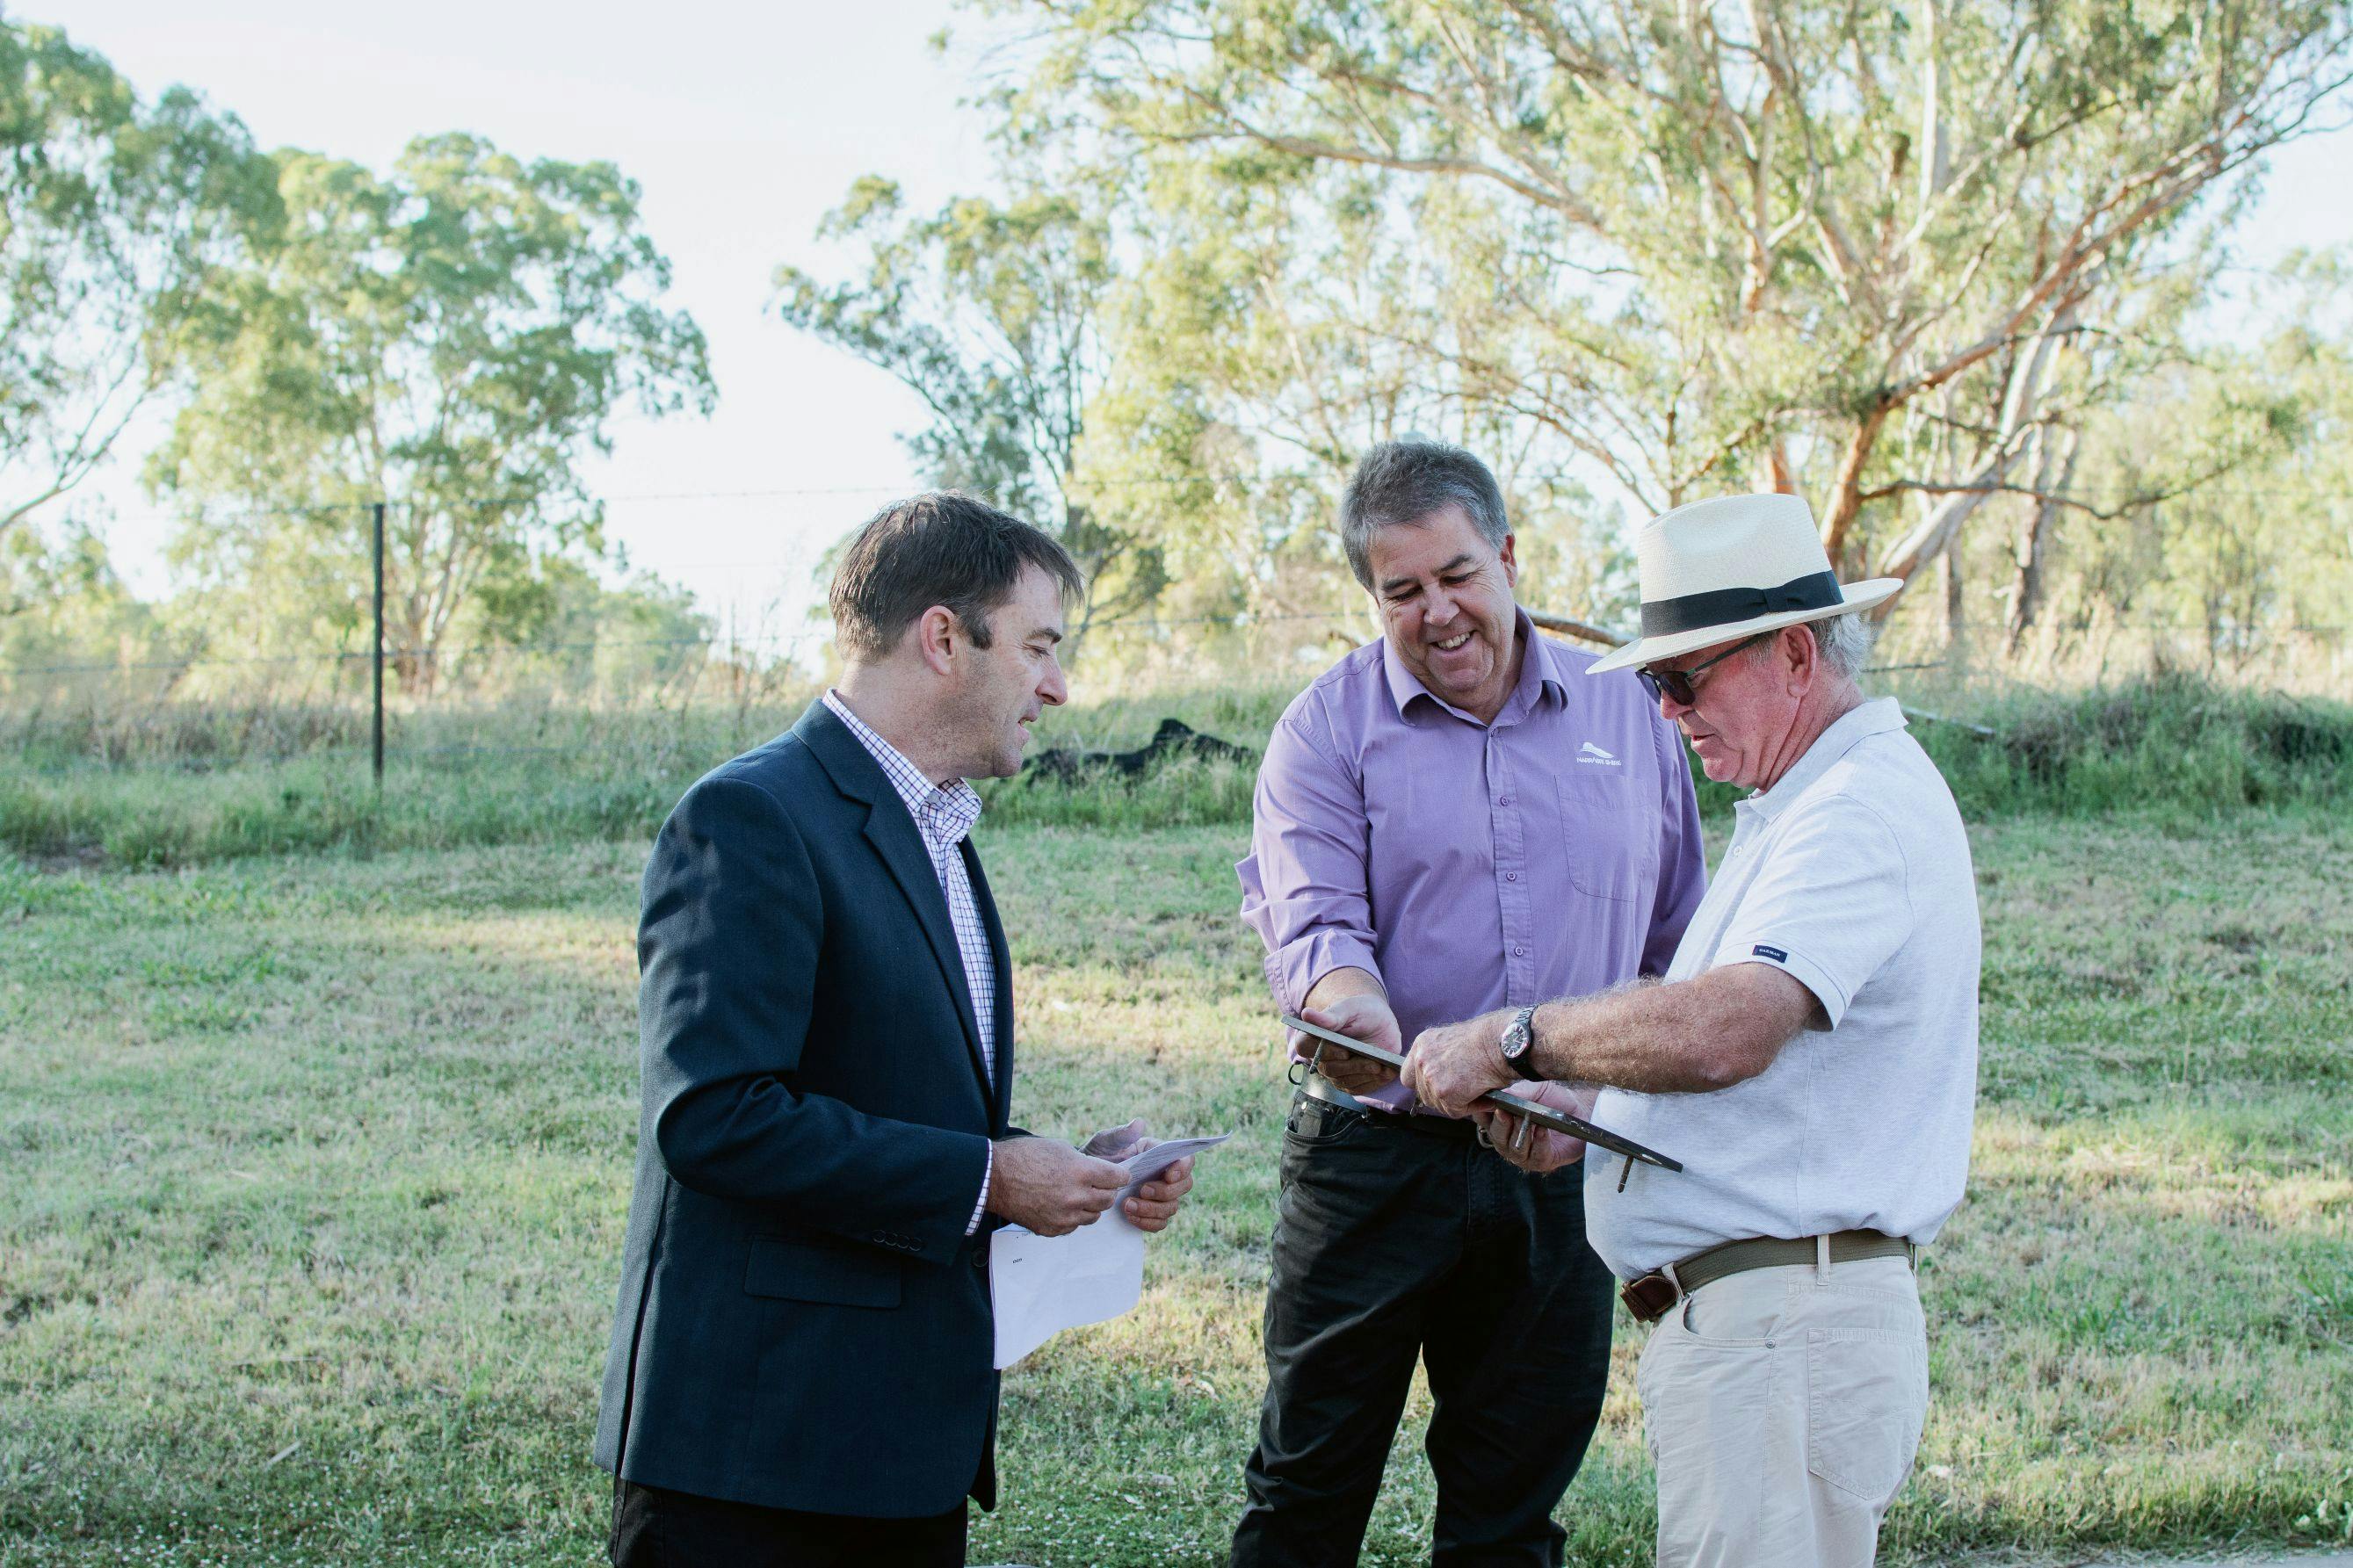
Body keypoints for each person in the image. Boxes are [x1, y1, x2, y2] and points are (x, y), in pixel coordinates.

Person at [592, 492, 1196, 1566]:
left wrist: (1054, 1170)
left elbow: (892, 1093)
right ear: (942, 639)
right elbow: (715, 1117)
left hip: (896, 1448)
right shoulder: (751, 817)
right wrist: (988, 1178)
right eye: (1039, 647)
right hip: (757, 1461)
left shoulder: (937, 828)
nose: (1056, 686)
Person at [1401, 492, 1981, 1568]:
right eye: (1654, 685)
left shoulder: (1852, 811)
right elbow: (1775, 1075)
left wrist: (1512, 1041)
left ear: (1795, 655)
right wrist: (1594, 1112)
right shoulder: (1806, 805)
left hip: (1780, 1338)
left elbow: (1726, 1031)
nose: (1666, 711)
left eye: (1683, 678)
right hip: (1765, 1331)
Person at [1231, 439, 1707, 1567]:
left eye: (1455, 576)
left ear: (1504, 554)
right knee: (1306, 1486)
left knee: (1512, 1503)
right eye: (1400, 592)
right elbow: (1316, 932)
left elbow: (1681, 937)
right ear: (1371, 596)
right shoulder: (1321, 730)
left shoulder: (1629, 715)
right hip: (1370, 1161)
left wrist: (1597, 1078)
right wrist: (1350, 1016)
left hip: (1559, 1165)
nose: (1435, 613)